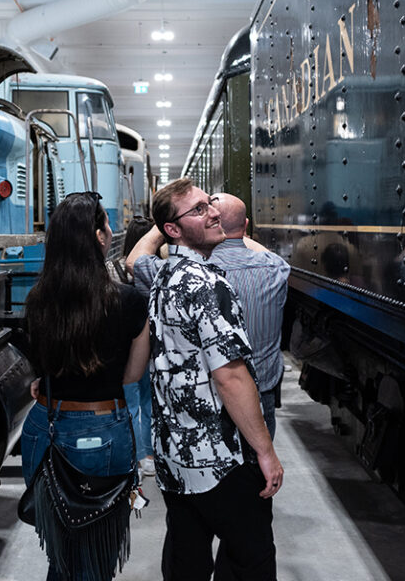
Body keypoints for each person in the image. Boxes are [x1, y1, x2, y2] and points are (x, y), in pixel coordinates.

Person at [142, 178, 283, 581]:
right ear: (173, 228)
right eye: (199, 209)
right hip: (218, 457)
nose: (214, 212)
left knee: (187, 554)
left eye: (210, 204)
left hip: (175, 453)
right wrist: (265, 452)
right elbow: (231, 377)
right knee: (250, 557)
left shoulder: (164, 277)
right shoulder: (209, 282)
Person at [19, 192, 150, 581]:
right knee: (95, 556)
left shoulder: (37, 300)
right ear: (98, 236)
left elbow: (43, 367)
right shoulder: (129, 301)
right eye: (107, 225)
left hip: (45, 426)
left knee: (60, 552)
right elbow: (131, 375)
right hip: (102, 431)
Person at [128, 193, 290, 439]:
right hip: (260, 395)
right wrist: (238, 232)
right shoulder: (276, 269)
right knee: (258, 468)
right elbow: (267, 254)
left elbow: (134, 261)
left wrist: (163, 227)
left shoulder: (177, 274)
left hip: (205, 400)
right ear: (246, 226)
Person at [117, 215, 157, 476]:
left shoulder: (117, 270)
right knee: (149, 402)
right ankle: (150, 455)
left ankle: (134, 456)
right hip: (152, 344)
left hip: (125, 347)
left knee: (129, 403)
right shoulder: (154, 267)